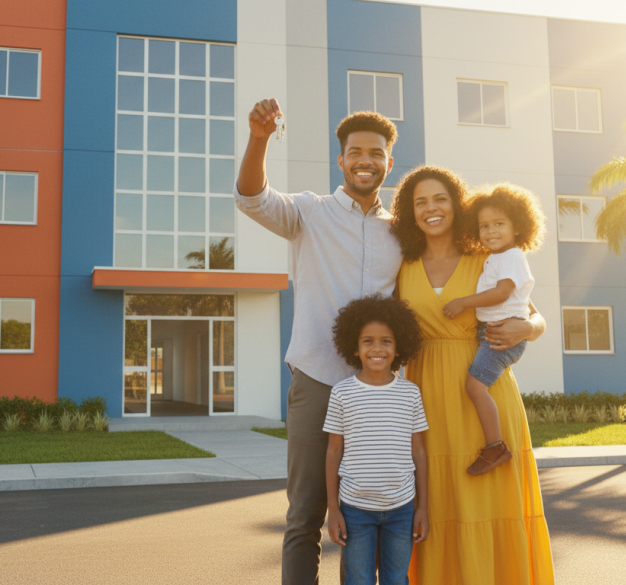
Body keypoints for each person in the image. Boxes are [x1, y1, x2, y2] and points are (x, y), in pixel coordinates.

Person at [234, 99, 404, 584]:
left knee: (378, 516)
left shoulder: (401, 233)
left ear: (389, 162)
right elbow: (251, 198)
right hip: (318, 383)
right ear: (341, 160)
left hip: (379, 393)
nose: (365, 160)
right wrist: (260, 137)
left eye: (376, 152)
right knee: (305, 516)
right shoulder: (310, 212)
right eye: (355, 152)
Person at [389, 165, 555, 584]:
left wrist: (529, 329)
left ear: (456, 205)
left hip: (485, 392)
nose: (431, 208)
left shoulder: (487, 256)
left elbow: (534, 318)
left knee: (487, 504)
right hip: (425, 392)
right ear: (410, 212)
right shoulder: (401, 265)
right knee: (438, 503)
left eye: (440, 198)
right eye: (420, 201)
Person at [441, 183, 546, 476]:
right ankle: (494, 443)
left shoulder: (512, 256)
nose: (490, 231)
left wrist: (463, 302)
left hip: (502, 336)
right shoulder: (494, 258)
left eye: (499, 224)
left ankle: (495, 446)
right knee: (476, 386)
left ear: (518, 227)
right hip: (491, 334)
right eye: (484, 225)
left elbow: (502, 293)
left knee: (474, 386)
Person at [324, 295, 428, 585]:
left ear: (399, 348)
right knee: (359, 581)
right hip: (355, 509)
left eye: (386, 341)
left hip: (402, 507)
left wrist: (423, 507)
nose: (377, 348)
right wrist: (334, 510)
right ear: (355, 348)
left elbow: (418, 451)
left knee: (397, 580)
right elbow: (333, 452)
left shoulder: (410, 393)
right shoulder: (342, 393)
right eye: (367, 341)